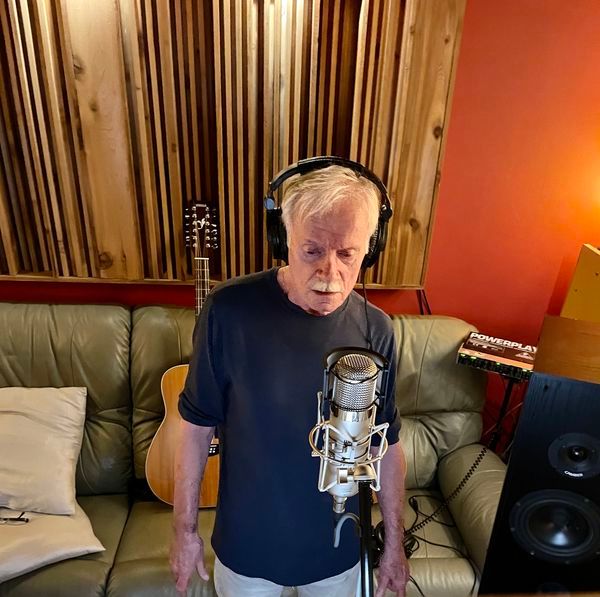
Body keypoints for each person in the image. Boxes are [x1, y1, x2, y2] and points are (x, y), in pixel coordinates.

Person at [170, 164, 409, 597]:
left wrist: (394, 543)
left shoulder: (377, 330)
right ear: (283, 240)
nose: (330, 274)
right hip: (246, 552)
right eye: (312, 251)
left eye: (347, 254)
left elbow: (387, 443)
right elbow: (196, 427)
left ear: (370, 249)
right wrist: (183, 532)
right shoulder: (228, 311)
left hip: (338, 551)